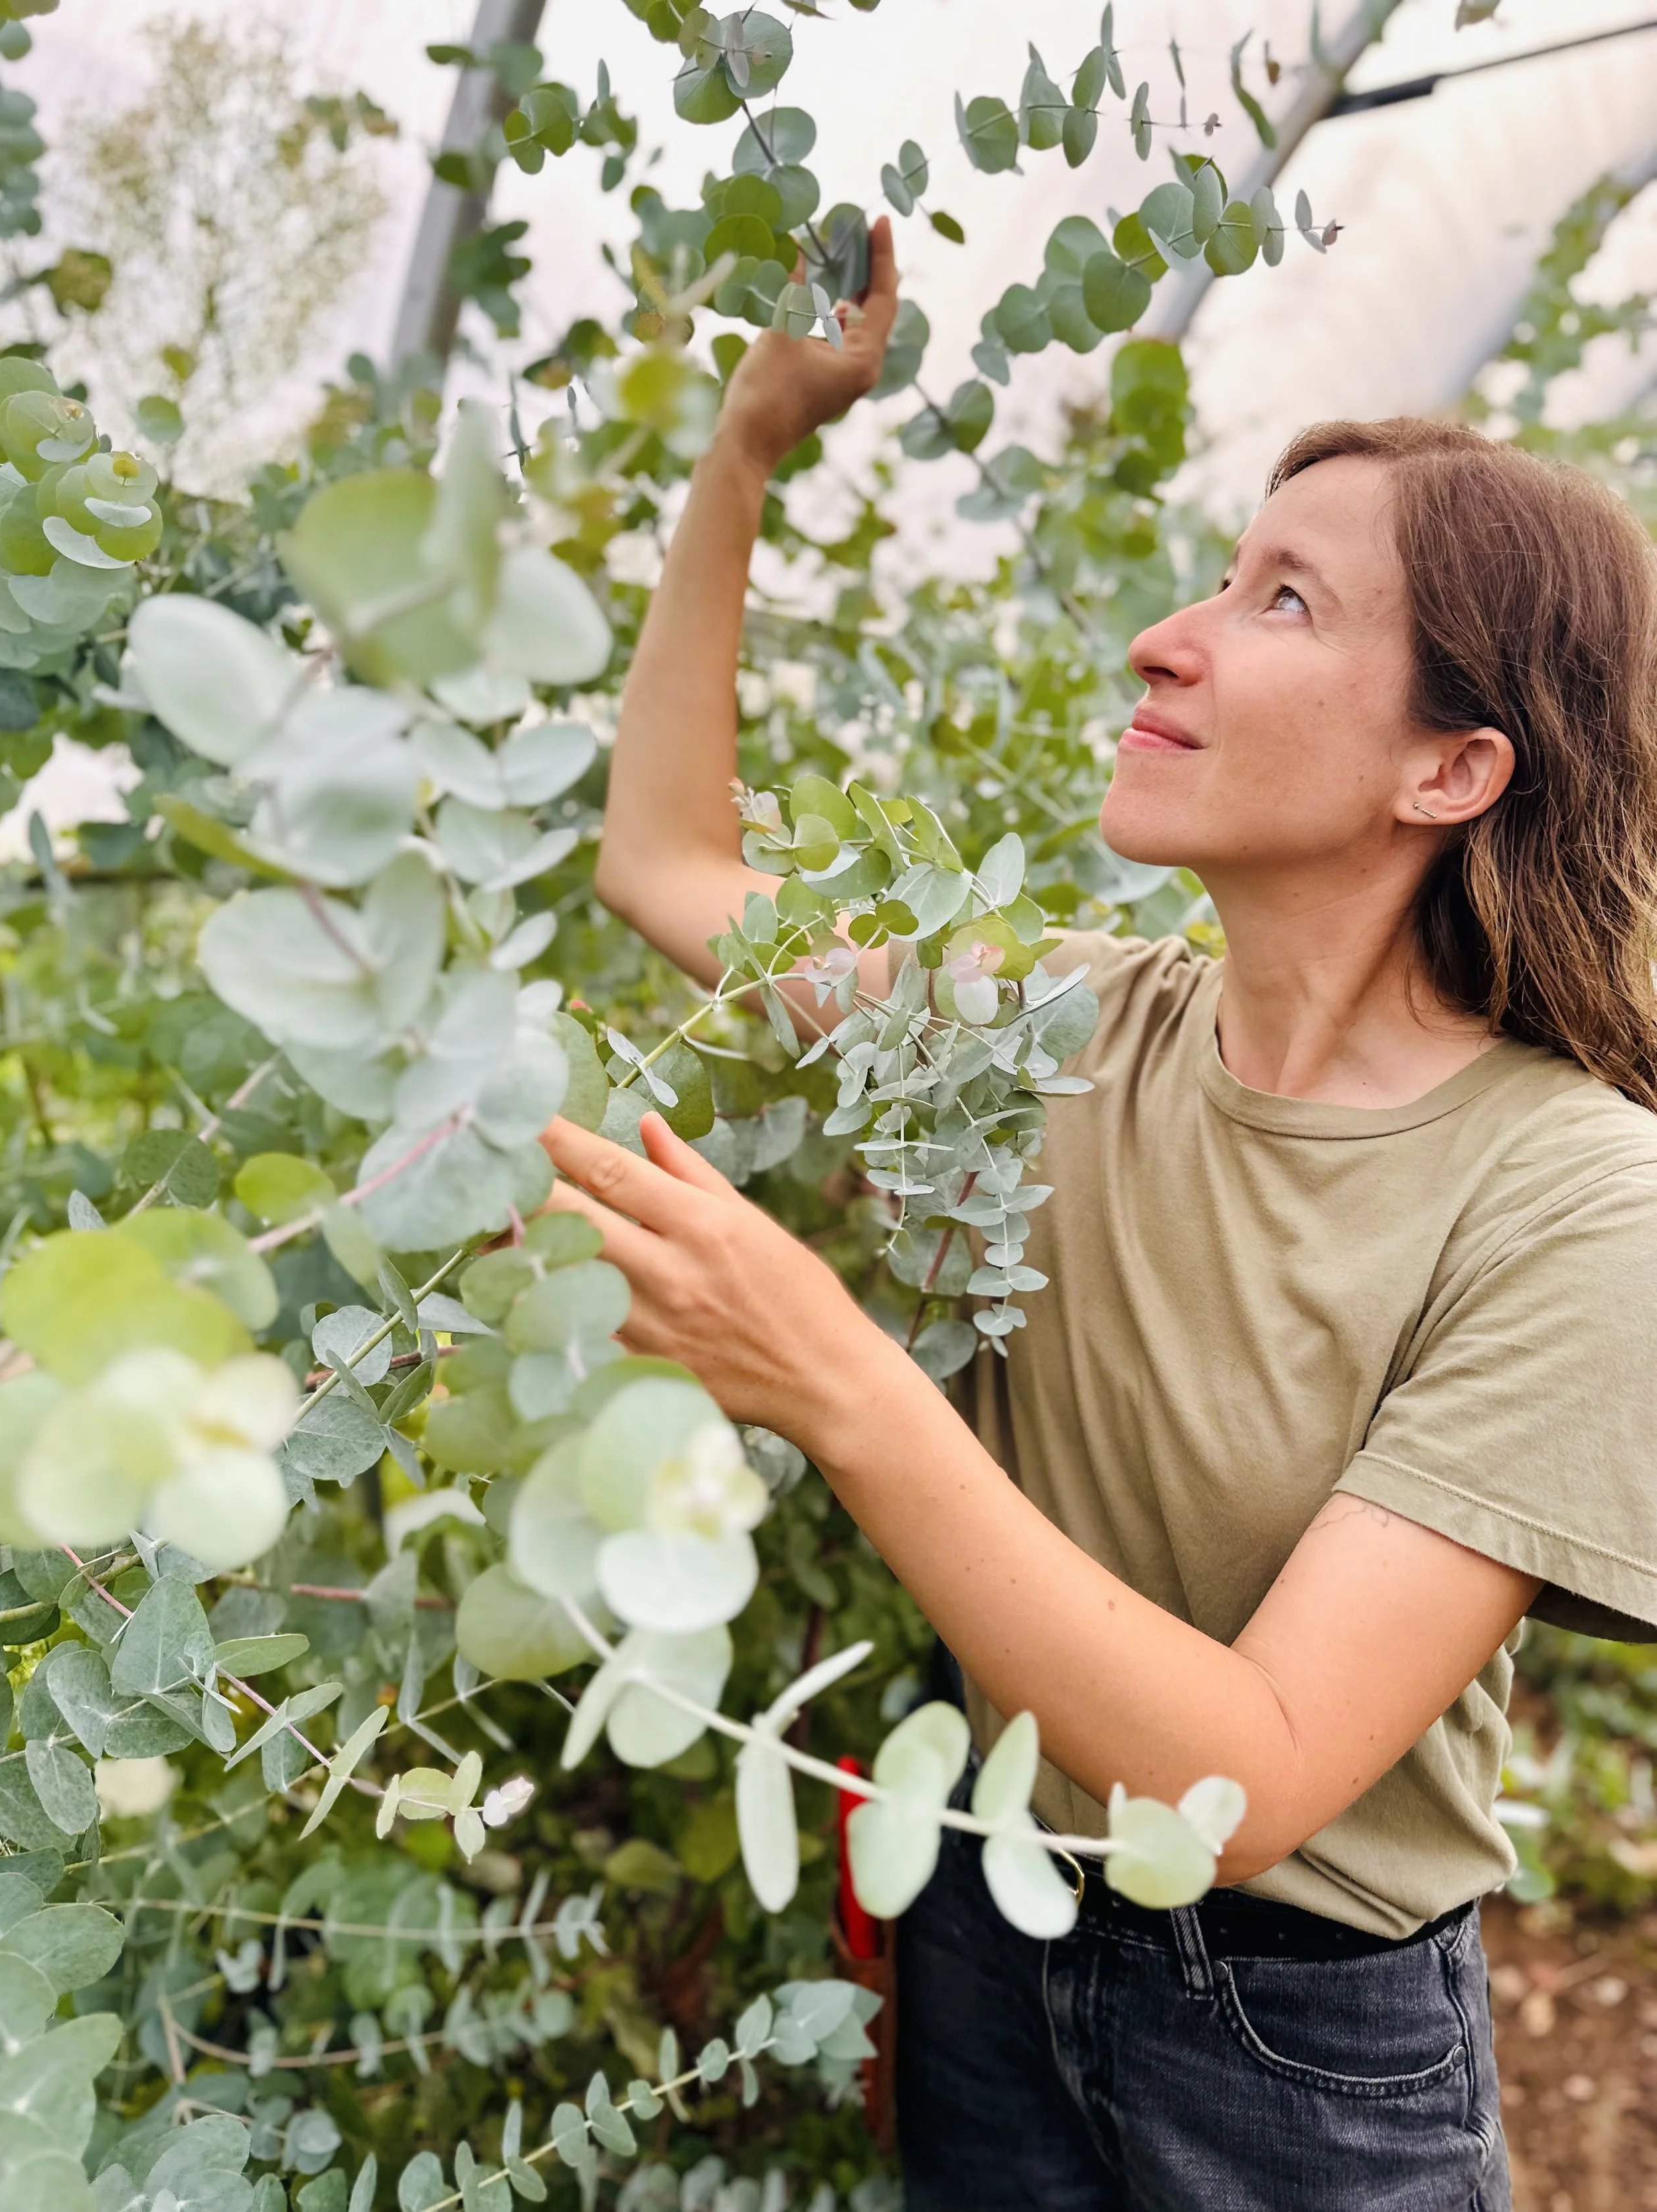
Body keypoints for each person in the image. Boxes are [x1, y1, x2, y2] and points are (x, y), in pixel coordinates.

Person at [539, 214, 1657, 2210]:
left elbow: (1249, 1775)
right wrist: (744, 451)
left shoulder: (1573, 1196)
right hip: (995, 1909)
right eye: (1223, 575)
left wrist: (834, 1378)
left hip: (1299, 2050)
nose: (1170, 635)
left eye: (1285, 604)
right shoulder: (1060, 1021)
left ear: (1451, 766)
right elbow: (667, 860)